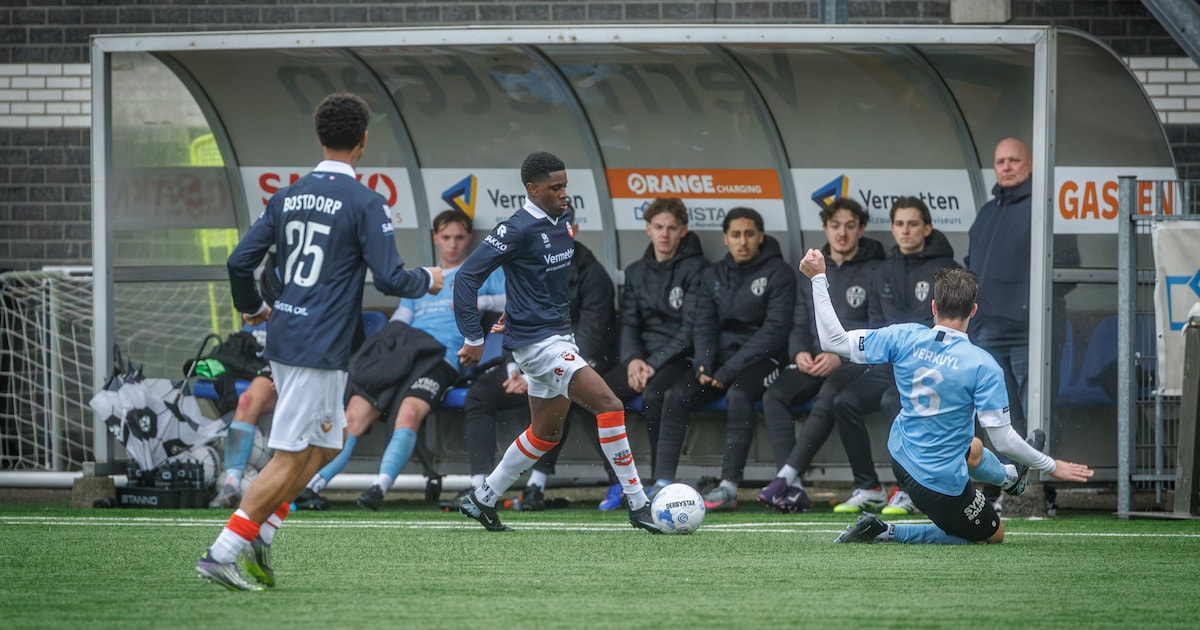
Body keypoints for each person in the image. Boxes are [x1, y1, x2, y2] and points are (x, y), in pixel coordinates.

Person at [195, 92, 444, 591]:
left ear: (319, 137)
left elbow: (240, 263)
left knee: (323, 448)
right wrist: (429, 278)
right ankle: (221, 552)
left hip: (291, 337)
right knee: (292, 455)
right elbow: (392, 279)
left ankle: (262, 530)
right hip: (317, 345)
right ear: (364, 141)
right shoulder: (366, 201)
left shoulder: (288, 195)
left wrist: (253, 309)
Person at [797, 252, 1093, 544]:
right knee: (993, 535)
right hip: (938, 486)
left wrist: (819, 277)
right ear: (974, 310)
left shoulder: (905, 336)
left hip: (900, 455)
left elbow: (833, 341)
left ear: (934, 306)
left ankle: (1010, 478)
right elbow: (1004, 441)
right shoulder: (982, 364)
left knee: (973, 447)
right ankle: (886, 532)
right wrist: (1051, 465)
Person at [452, 150, 659, 533]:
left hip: (558, 337)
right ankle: (638, 503)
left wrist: (514, 311)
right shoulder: (515, 229)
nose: (565, 194)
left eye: (565, 185)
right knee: (609, 405)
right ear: (532, 189)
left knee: (545, 433)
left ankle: (482, 498)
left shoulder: (560, 220)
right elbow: (466, 277)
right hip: (538, 347)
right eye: (555, 187)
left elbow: (533, 281)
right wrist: (473, 336)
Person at [294, 209, 505, 511]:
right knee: (354, 416)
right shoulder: (424, 277)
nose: (453, 244)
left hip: (443, 358)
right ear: (435, 238)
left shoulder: (481, 272)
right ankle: (314, 486)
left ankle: (379, 488)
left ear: (469, 239)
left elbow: (513, 299)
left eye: (459, 237)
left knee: (408, 414)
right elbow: (400, 324)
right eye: (446, 237)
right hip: (405, 355)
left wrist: (480, 301)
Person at [649, 206, 795, 511]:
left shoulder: (779, 272)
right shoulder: (713, 274)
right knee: (676, 394)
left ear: (760, 237)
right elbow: (703, 322)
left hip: (761, 361)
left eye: (749, 234)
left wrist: (728, 370)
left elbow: (773, 333)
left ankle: (728, 486)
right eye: (736, 235)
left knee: (739, 394)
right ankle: (662, 483)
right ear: (726, 239)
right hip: (719, 363)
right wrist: (704, 363)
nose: (742, 241)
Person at [458, 238, 614, 512]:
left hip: (567, 364)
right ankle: (479, 485)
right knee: (479, 395)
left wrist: (534, 375)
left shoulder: (594, 275)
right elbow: (515, 323)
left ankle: (537, 485)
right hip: (526, 363)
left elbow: (589, 337)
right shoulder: (532, 266)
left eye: (564, 226)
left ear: (575, 230)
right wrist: (514, 369)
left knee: (566, 410)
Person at [827, 196, 960, 516]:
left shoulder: (947, 270)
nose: (905, 230)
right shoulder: (883, 269)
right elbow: (875, 321)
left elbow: (948, 325)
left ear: (927, 228)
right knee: (844, 402)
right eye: (899, 224)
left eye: (913, 224)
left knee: (893, 401)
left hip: (931, 366)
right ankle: (869, 487)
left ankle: (911, 488)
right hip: (891, 364)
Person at [755, 198, 885, 513]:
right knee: (775, 396)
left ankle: (786, 476)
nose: (842, 233)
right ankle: (794, 487)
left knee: (832, 391)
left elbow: (878, 324)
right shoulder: (812, 267)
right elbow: (800, 319)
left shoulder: (875, 271)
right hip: (815, 358)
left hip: (855, 360)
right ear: (825, 229)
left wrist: (841, 356)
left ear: (861, 230)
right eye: (835, 226)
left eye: (850, 226)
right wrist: (799, 351)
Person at [588, 197, 708, 510]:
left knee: (656, 395)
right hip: (640, 360)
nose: (665, 234)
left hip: (677, 359)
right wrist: (633, 360)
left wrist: (651, 364)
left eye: (671, 228)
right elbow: (629, 321)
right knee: (587, 393)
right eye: (658, 227)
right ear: (647, 230)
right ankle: (619, 481)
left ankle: (660, 484)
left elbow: (690, 329)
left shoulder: (697, 269)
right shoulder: (637, 271)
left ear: (683, 231)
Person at [966, 137, 1034, 513]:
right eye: (1000, 161)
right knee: (993, 416)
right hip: (987, 332)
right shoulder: (987, 212)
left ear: (1030, 165)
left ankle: (1038, 492)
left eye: (1014, 160)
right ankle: (995, 489)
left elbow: (1066, 265)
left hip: (1028, 334)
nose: (1006, 167)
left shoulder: (1042, 209)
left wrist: (1025, 307)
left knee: (1029, 413)